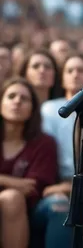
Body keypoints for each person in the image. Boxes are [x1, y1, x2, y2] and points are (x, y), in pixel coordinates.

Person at [32, 53, 83, 247]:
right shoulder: (49, 109)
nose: (75, 75)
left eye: (81, 70)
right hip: (56, 181)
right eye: (70, 70)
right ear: (62, 77)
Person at [0, 77, 58, 248]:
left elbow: (31, 187)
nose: (17, 101)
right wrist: (8, 181)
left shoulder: (44, 143)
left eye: (24, 98)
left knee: (12, 198)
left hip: (27, 210)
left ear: (33, 109)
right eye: (11, 96)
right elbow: (21, 184)